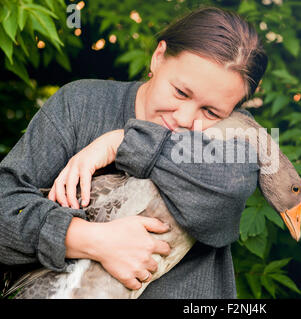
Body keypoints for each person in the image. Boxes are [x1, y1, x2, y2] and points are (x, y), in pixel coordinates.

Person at [0, 6, 267, 298]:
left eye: (212, 111)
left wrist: (122, 143)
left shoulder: (236, 138)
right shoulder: (81, 104)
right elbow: (5, 205)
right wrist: (91, 239)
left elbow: (228, 190)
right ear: (159, 57)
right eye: (180, 92)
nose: (184, 119)